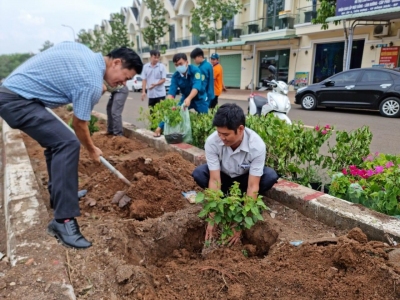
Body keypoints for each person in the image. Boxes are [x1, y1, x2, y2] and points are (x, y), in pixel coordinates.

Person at [0, 42, 143, 249]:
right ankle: (63, 221)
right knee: (67, 143)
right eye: (125, 77)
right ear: (117, 63)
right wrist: (93, 150)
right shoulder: (92, 81)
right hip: (17, 101)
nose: (122, 84)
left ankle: (60, 194)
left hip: (15, 93)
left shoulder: (86, 55)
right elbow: (79, 124)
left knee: (58, 141)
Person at [192, 103, 279, 245]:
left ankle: (239, 199)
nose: (221, 138)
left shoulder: (256, 145)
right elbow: (214, 179)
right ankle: (227, 197)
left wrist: (240, 224)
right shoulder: (212, 142)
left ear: (240, 129)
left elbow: (252, 185)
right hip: (223, 178)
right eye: (219, 133)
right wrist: (212, 218)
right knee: (199, 173)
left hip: (245, 179)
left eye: (226, 134)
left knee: (269, 176)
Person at [153, 53, 208, 137]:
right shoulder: (176, 76)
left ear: (187, 62)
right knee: (173, 111)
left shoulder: (195, 70)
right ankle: (159, 128)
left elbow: (196, 86)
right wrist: (169, 103)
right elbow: (172, 91)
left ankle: (204, 137)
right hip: (185, 98)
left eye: (180, 64)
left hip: (199, 98)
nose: (178, 67)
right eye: (176, 65)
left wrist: (189, 98)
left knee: (205, 120)